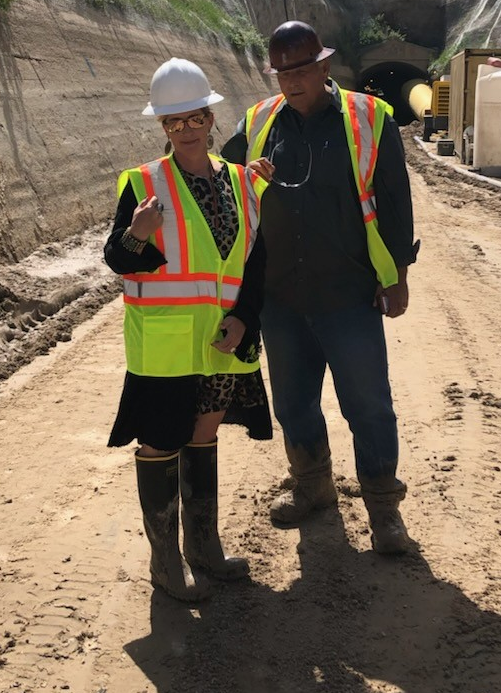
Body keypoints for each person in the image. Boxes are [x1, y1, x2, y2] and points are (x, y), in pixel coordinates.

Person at [222, 21, 419, 554]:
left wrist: (397, 277)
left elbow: (394, 200)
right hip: (281, 299)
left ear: (324, 65)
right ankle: (313, 486)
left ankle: (384, 508)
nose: (292, 80)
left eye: (302, 69)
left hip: (348, 295)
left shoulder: (368, 117)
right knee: (293, 404)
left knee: (369, 406)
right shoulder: (259, 122)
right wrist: (242, 174)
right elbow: (220, 178)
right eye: (282, 72)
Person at [104, 58, 272, 601]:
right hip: (166, 346)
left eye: (194, 117)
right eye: (174, 121)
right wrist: (137, 234)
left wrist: (244, 317)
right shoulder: (144, 183)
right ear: (163, 126)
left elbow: (255, 259)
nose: (186, 129)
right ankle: (165, 563)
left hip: (221, 339)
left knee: (203, 438)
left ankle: (204, 548)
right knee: (160, 443)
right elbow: (118, 259)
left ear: (210, 118)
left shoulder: (241, 181)